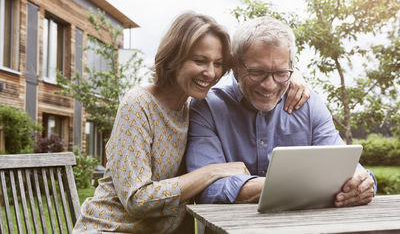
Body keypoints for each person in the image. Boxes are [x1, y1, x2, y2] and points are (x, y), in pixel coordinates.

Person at [73, 12, 308, 233]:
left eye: (217, 64)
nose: (210, 72)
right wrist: (212, 172)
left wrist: (291, 76)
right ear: (174, 57)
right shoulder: (138, 104)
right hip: (110, 228)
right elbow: (137, 200)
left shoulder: (193, 107)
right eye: (200, 60)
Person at [185, 16, 376, 207]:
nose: (269, 86)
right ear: (235, 67)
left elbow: (347, 168)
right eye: (257, 72)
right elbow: (208, 189)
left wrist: (362, 183)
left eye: (281, 73)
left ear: (292, 68)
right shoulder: (207, 108)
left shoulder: (309, 105)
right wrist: (309, 184)